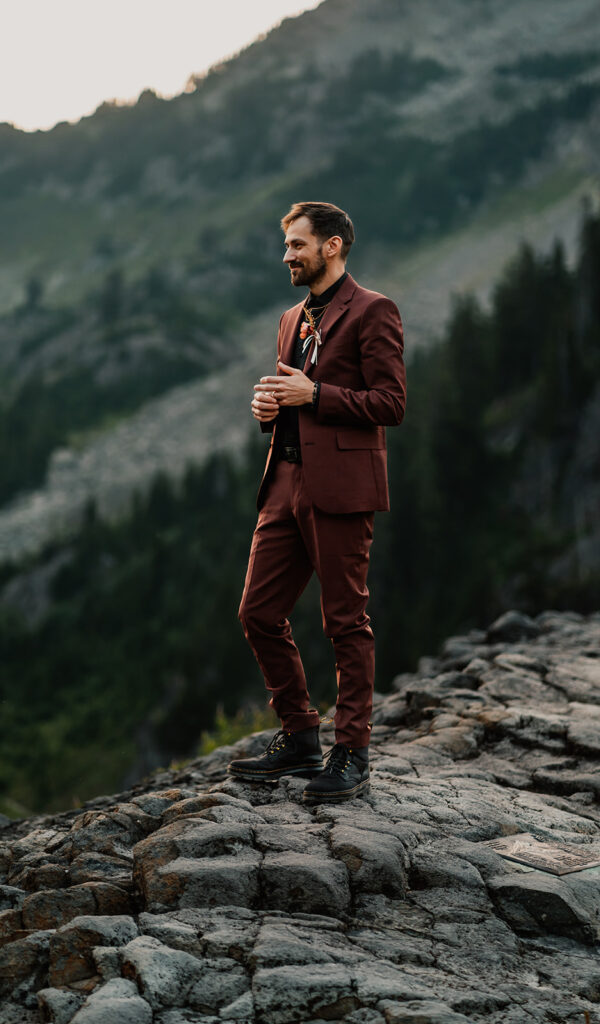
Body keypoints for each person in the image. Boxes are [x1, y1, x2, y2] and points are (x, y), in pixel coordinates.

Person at [228, 201, 406, 803]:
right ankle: (301, 734)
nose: (287, 257)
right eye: (286, 247)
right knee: (257, 612)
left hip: (341, 491)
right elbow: (290, 397)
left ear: (331, 246)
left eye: (297, 245)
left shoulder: (374, 310)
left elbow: (391, 403)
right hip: (284, 484)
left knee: (344, 620)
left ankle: (352, 750)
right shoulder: (289, 318)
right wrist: (268, 409)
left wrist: (317, 393)